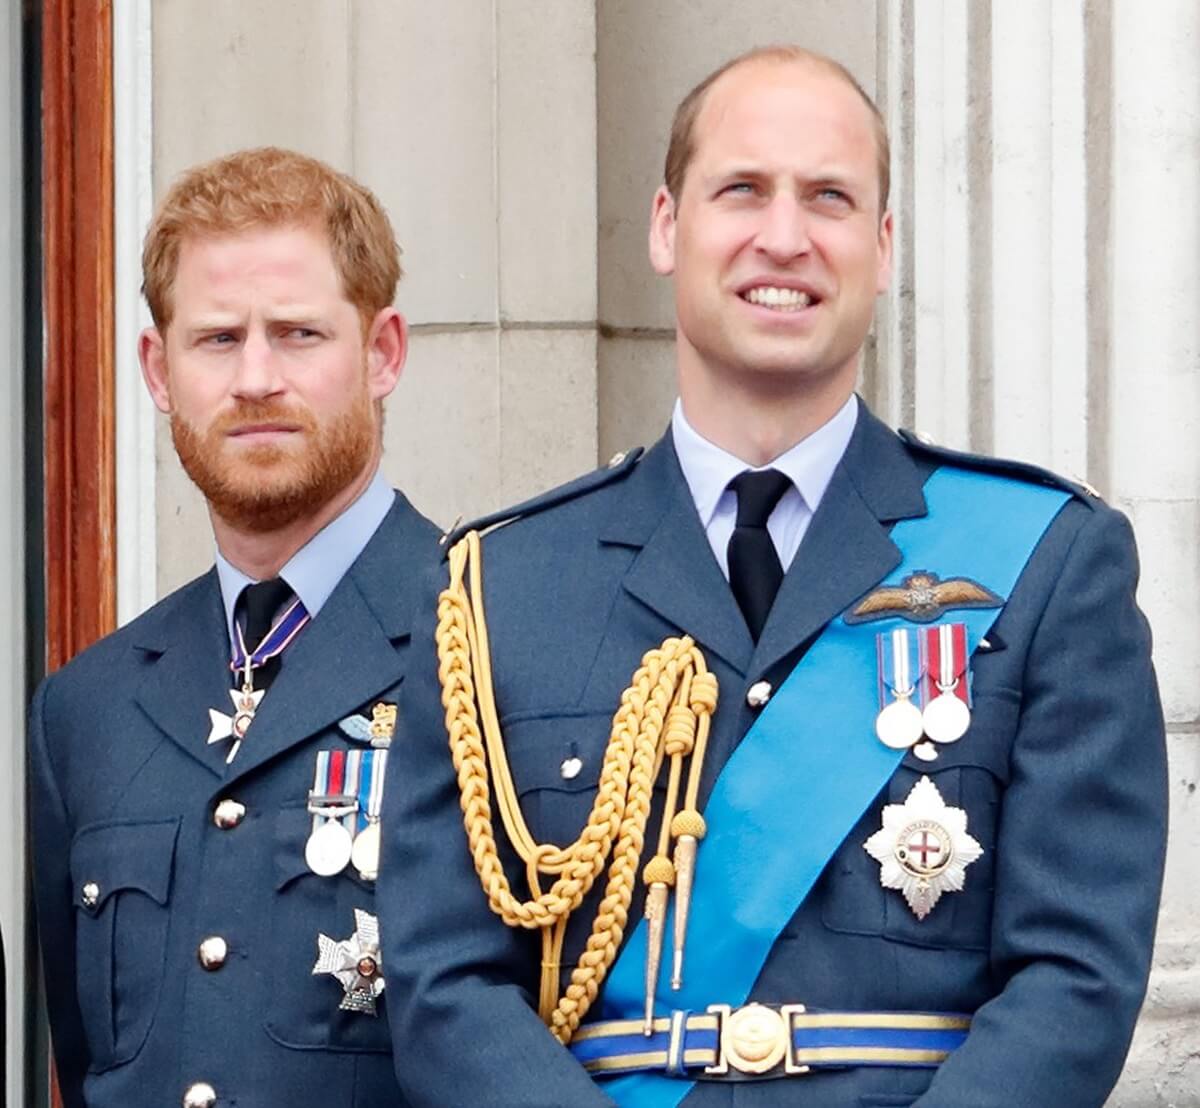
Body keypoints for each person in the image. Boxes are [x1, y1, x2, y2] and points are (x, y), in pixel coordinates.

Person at [379, 46, 1167, 1107]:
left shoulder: (1047, 563)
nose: (784, 236)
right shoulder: (500, 589)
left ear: (882, 246)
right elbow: (446, 984)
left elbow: (1076, 976)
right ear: (667, 225)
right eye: (741, 189)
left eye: (830, 198)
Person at [29, 147, 438, 1108]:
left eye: (298, 334)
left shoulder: (495, 640)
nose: (256, 378)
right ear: (157, 370)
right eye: (217, 339)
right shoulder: (85, 712)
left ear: (382, 353)